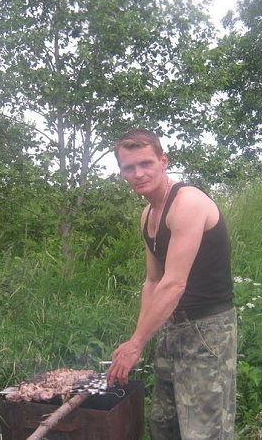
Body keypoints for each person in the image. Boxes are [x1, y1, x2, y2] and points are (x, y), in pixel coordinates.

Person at [106, 128, 237, 440]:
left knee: (203, 431)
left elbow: (175, 283)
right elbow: (153, 282)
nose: (138, 173)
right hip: (172, 326)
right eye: (129, 167)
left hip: (208, 330)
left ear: (163, 161)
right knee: (164, 424)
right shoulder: (148, 214)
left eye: (146, 163)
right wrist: (137, 338)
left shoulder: (187, 203)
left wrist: (136, 344)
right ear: (122, 172)